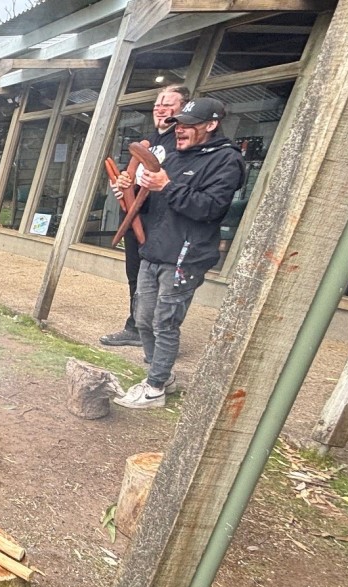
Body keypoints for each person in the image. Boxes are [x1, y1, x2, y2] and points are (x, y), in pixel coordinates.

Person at [114, 98, 246, 410]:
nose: (180, 131)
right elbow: (150, 203)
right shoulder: (173, 156)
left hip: (186, 256)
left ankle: (156, 387)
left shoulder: (226, 160)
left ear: (210, 125)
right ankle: (159, 374)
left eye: (188, 125)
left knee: (164, 322)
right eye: (178, 125)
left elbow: (211, 209)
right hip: (154, 249)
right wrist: (129, 188)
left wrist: (167, 186)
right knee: (143, 318)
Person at [101, 84, 190, 347]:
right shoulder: (148, 141)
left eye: (168, 104)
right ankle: (136, 326)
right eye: (157, 105)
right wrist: (122, 186)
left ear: (183, 109)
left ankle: (160, 338)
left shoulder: (183, 143)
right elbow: (133, 179)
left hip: (164, 222)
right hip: (136, 215)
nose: (161, 109)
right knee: (135, 273)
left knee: (161, 279)